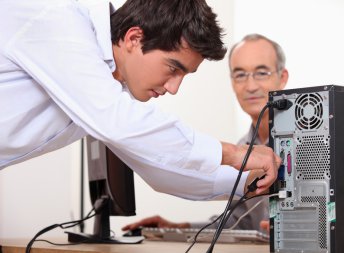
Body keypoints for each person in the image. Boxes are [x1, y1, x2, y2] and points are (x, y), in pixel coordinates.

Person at [0, 0, 280, 204]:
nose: (173, 88)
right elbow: (118, 123)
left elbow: (159, 170)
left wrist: (247, 182)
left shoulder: (108, 88)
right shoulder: (57, 21)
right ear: (134, 38)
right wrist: (234, 153)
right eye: (173, 69)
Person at [122, 33, 288, 233]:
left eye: (261, 73)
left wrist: (296, 230)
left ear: (282, 78)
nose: (250, 86)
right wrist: (178, 228)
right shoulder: (246, 146)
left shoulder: (311, 142)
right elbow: (237, 224)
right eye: (240, 74)